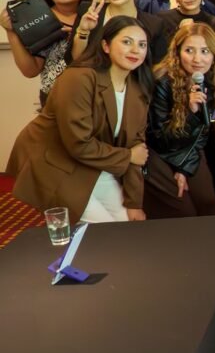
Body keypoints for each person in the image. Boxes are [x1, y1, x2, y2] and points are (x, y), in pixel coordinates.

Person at [7, 16, 152, 224]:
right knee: (108, 230)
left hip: (92, 163)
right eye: (127, 42)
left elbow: (137, 150)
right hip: (53, 162)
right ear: (106, 46)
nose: (135, 50)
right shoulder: (79, 78)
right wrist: (128, 155)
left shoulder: (137, 91)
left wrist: (134, 203)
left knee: (128, 225)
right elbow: (79, 144)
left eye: (142, 45)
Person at [144, 23, 215, 218]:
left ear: (214, 55)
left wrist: (184, 168)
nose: (197, 59)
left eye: (205, 51)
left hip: (188, 150)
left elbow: (204, 132)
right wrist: (190, 111)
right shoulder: (161, 82)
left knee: (208, 203)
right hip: (158, 154)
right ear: (177, 52)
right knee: (185, 211)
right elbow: (159, 139)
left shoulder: (211, 79)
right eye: (189, 50)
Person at [0, 0, 93, 105]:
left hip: (96, 95)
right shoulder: (40, 18)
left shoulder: (96, 15)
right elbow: (30, 71)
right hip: (56, 100)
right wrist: (11, 32)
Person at [72, 0, 169, 65]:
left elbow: (159, 65)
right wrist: (83, 31)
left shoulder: (153, 24)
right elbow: (74, 60)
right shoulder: (89, 13)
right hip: (93, 74)